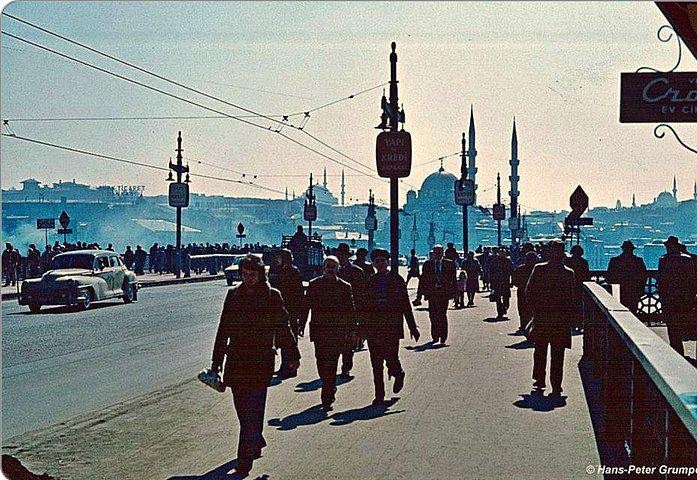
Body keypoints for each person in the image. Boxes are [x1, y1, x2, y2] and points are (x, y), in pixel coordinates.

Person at [210, 254, 300, 476]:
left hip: (260, 361)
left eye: (253, 275)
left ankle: (244, 460)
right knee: (244, 412)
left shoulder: (272, 296)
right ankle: (255, 439)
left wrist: (293, 356)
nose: (248, 279)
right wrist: (216, 362)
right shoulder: (233, 296)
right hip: (237, 361)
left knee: (254, 410)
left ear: (261, 275)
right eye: (245, 274)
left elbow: (283, 328)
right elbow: (224, 329)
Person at [362, 249, 420, 405]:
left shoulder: (396, 279)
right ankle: (379, 395)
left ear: (387, 262)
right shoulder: (369, 281)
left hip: (391, 327)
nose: (380, 264)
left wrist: (412, 327)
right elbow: (363, 307)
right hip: (374, 328)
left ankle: (398, 373)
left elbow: (405, 305)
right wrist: (361, 329)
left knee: (391, 358)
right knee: (376, 363)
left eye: (382, 261)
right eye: (377, 261)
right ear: (373, 264)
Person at [302, 256, 356, 411]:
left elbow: (350, 310)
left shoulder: (345, 287)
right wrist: (302, 323)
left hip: (337, 332)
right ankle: (329, 385)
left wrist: (352, 330)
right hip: (319, 331)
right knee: (321, 363)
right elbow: (307, 305)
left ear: (337, 268)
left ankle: (327, 396)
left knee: (331, 364)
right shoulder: (314, 284)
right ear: (323, 268)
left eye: (333, 266)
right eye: (327, 266)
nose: (330, 268)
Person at [525, 240, 578, 395]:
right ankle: (556, 384)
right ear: (563, 255)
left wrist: (535, 311)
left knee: (540, 350)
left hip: (542, 318)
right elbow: (572, 298)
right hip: (561, 320)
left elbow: (529, 292)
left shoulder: (539, 269)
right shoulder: (569, 273)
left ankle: (539, 380)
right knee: (558, 354)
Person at [657, 236, 697, 356]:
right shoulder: (688, 259)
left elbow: (661, 280)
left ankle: (676, 350)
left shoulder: (664, 260)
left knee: (672, 325)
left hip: (669, 299)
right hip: (685, 299)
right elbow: (693, 281)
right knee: (682, 323)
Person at [271, 249, 304, 378]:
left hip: (290, 310)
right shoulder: (279, 271)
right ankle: (284, 366)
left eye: (279, 258)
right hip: (281, 309)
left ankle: (290, 368)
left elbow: (298, 292)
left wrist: (298, 312)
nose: (277, 260)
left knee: (289, 341)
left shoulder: (293, 271)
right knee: (282, 340)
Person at [335, 243, 366, 377]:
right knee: (335, 342)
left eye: (343, 256)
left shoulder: (357, 272)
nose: (341, 258)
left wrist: (360, 315)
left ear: (347, 257)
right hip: (335, 313)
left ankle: (346, 366)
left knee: (348, 343)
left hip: (351, 312)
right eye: (339, 255)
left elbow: (361, 294)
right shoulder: (332, 270)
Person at [419, 245, 457, 344]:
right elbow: (423, 280)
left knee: (442, 314)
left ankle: (443, 336)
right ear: (433, 254)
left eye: (439, 252)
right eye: (435, 253)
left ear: (443, 253)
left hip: (444, 293)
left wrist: (455, 294)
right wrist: (419, 296)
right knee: (432, 315)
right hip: (432, 294)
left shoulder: (449, 264)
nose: (437, 255)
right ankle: (435, 336)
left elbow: (453, 280)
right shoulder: (427, 264)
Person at [606, 240, 647, 314]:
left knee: (620, 311)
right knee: (633, 311)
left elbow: (609, 276)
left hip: (619, 290)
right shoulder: (638, 261)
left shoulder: (615, 261)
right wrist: (641, 289)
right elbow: (643, 276)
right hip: (634, 290)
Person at [512, 251, 539, 333]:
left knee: (522, 310)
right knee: (533, 311)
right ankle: (531, 327)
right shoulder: (538, 270)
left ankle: (524, 326)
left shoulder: (520, 269)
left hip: (522, 292)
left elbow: (514, 281)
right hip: (535, 293)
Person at [489, 249, 513, 319]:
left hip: (506, 282)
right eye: (501, 253)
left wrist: (512, 281)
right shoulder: (494, 261)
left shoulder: (508, 261)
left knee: (506, 298)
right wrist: (491, 282)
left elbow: (512, 271)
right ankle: (500, 312)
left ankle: (505, 307)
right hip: (497, 282)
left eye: (503, 253)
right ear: (498, 253)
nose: (502, 254)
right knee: (498, 299)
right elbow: (491, 272)